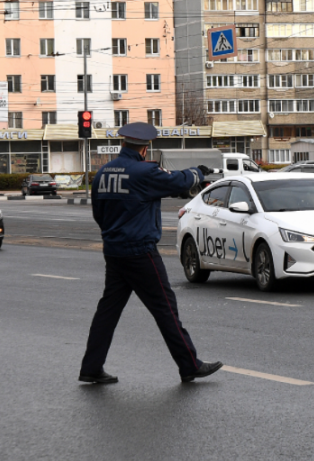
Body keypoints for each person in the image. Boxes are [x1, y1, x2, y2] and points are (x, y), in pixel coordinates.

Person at [80, 122, 223, 384]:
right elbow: (177, 181)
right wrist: (197, 172)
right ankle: (190, 365)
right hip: (140, 251)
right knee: (165, 309)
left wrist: (114, 234)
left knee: (108, 311)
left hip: (114, 251)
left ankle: (91, 367)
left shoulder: (103, 172)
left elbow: (98, 214)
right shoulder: (144, 171)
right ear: (146, 147)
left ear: (124, 143)